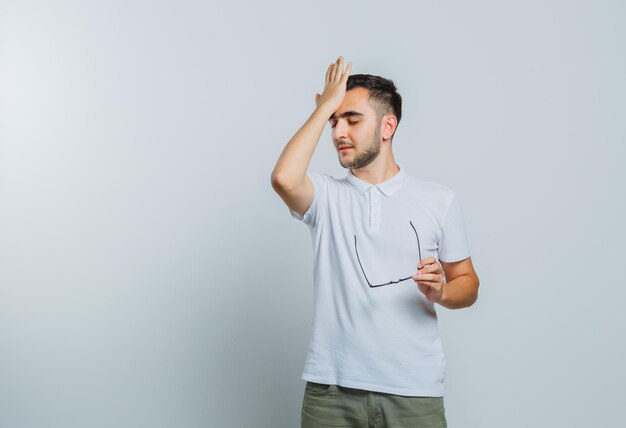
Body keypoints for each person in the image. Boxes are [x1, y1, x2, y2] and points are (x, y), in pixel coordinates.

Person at [270, 56, 480, 428]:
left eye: (352, 119)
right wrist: (323, 109)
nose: (338, 133)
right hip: (331, 390)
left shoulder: (437, 199)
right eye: (335, 122)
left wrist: (442, 291)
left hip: (414, 390)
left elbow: (468, 283)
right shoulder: (325, 195)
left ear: (387, 126)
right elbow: (284, 179)